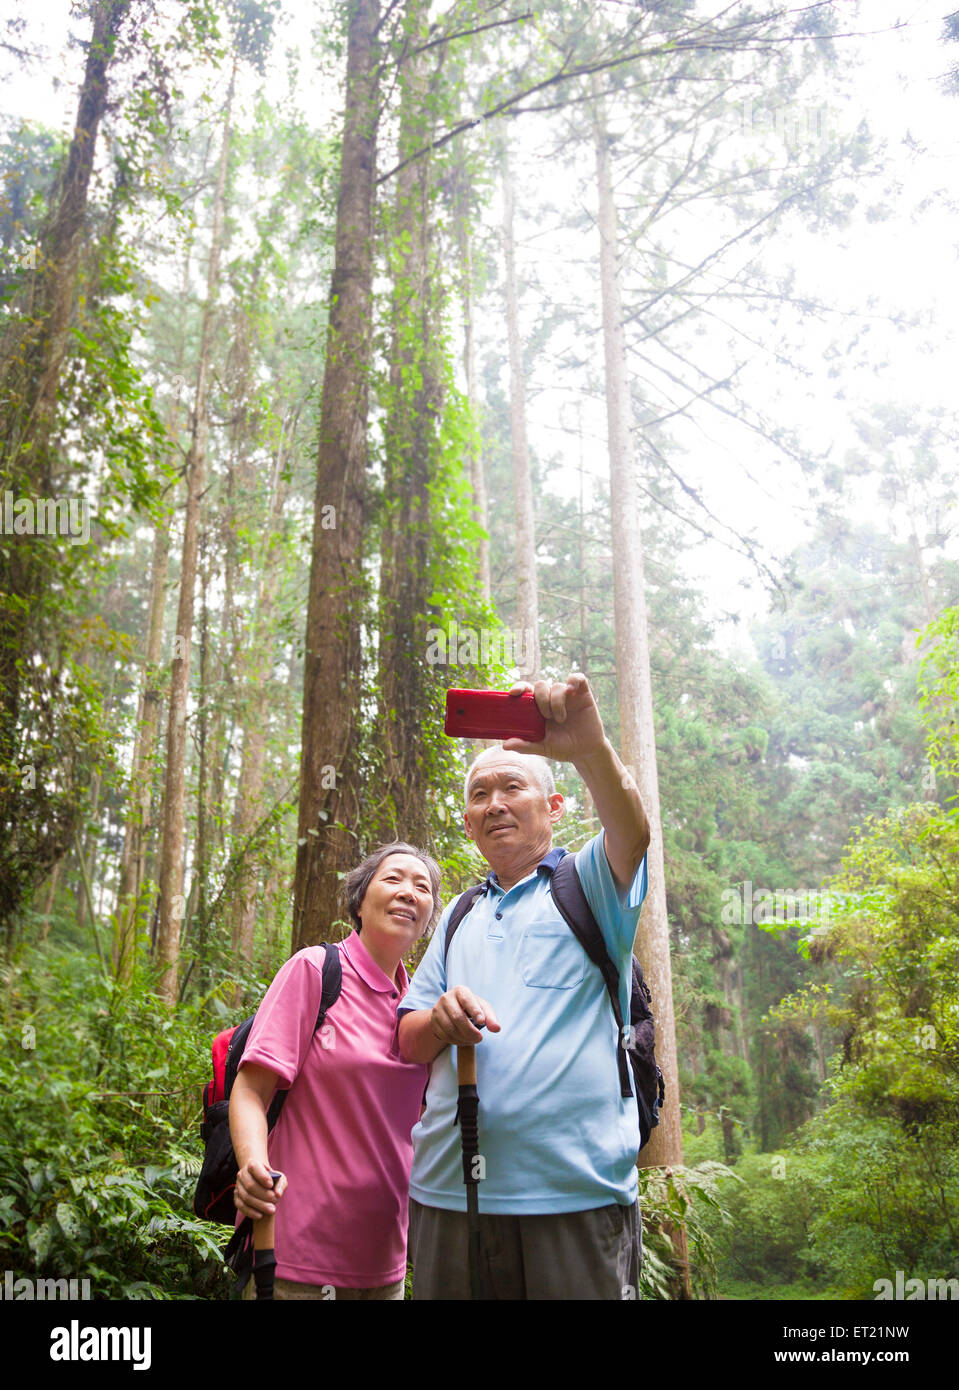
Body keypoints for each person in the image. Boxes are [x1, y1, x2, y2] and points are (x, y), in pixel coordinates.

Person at [398, 673, 651, 1300]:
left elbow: (633, 833)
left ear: (555, 806)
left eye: (514, 786)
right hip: (447, 1196)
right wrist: (439, 1022)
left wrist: (589, 748)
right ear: (467, 822)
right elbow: (407, 1039)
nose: (495, 803)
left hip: (576, 1198)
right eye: (480, 794)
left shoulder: (590, 885)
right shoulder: (457, 916)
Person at [229, 841, 441, 1300]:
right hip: (291, 1258)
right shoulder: (316, 970)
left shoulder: (422, 1009)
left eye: (421, 887)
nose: (408, 892)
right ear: (359, 902)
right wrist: (252, 1166)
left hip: (385, 1266)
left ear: (428, 920)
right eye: (393, 879)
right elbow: (251, 1088)